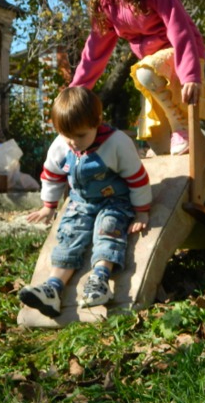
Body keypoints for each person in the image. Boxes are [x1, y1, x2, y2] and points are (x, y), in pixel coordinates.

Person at [70, 0, 205, 156]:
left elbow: (180, 30)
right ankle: (167, 149)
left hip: (181, 54)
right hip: (153, 66)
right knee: (156, 137)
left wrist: (190, 74)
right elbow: (95, 51)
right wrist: (77, 90)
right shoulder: (106, 4)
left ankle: (183, 128)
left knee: (144, 73)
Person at [19, 86, 152, 318]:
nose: (73, 142)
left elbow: (137, 177)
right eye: (66, 135)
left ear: (97, 121)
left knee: (108, 229)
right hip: (80, 200)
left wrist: (142, 211)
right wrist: (48, 205)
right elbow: (52, 174)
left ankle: (99, 281)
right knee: (70, 233)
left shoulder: (116, 143)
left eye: (80, 135)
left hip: (114, 201)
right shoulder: (61, 144)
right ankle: (53, 288)